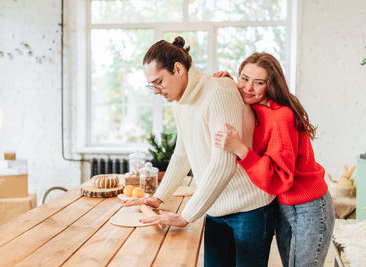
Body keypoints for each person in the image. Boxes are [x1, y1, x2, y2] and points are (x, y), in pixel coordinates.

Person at [122, 37, 275, 267]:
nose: (156, 91)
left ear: (178, 69)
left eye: (159, 82)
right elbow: (182, 154)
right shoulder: (181, 102)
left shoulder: (219, 90)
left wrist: (186, 215)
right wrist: (159, 197)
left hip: (249, 209)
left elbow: (224, 162)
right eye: (151, 85)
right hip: (215, 206)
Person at [213, 52, 335, 267]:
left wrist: (241, 150)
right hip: (284, 204)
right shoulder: (258, 106)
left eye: (258, 82)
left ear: (271, 85)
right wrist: (228, 85)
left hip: (308, 205)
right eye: (244, 78)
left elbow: (281, 178)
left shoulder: (280, 117)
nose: (248, 88)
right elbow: (244, 97)